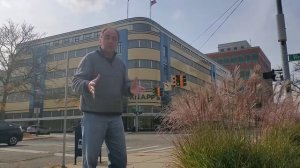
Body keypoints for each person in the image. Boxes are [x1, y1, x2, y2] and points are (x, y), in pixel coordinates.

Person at [72, 26, 144, 168]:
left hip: (116, 117)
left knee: (120, 160)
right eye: (107, 37)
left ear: (117, 42)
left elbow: (124, 87)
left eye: (114, 38)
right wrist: (87, 84)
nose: (111, 41)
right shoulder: (90, 58)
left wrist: (130, 89)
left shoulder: (120, 64)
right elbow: (75, 83)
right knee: (90, 161)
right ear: (100, 40)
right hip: (93, 116)